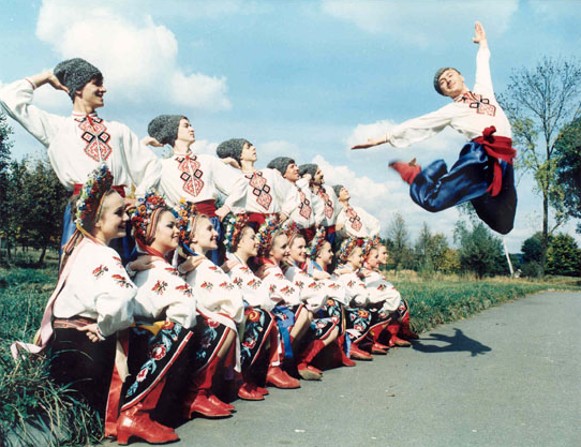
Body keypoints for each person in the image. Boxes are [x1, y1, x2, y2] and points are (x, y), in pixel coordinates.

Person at [352, 22, 517, 235]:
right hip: (480, 155)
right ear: (444, 92)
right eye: (442, 83)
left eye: (449, 75)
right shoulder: (451, 109)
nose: (447, 80)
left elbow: (483, 64)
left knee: (504, 225)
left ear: (461, 76)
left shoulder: (484, 90)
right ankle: (416, 174)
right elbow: (419, 124)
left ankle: (471, 189)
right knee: (433, 202)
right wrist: (381, 138)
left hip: (504, 159)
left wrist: (483, 43)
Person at [11, 165, 136, 438]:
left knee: (71, 410)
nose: (127, 217)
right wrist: (105, 328)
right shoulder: (106, 256)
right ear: (98, 221)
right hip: (87, 348)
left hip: (63, 344)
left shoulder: (80, 250)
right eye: (119, 213)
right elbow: (121, 297)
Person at [0, 58, 160, 258]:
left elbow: (151, 164)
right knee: (82, 273)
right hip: (83, 212)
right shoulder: (58, 128)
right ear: (77, 89)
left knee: (123, 274)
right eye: (97, 83)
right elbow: (8, 98)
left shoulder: (118, 130)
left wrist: (138, 197)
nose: (104, 89)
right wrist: (47, 77)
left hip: (119, 214)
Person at [175, 200, 245, 413]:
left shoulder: (204, 263)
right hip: (201, 318)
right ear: (193, 237)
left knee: (226, 322)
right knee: (223, 324)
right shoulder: (193, 263)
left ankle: (207, 390)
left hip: (215, 314)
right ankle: (197, 392)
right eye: (209, 229)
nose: (215, 233)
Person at [222, 214, 299, 398]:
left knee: (264, 315)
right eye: (252, 238)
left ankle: (252, 374)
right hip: (234, 316)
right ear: (239, 242)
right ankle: (239, 378)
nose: (257, 242)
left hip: (240, 314)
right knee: (261, 316)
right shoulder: (233, 265)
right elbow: (262, 297)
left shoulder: (244, 265)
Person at [145, 115, 238, 264]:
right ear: (173, 131)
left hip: (211, 224)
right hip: (183, 226)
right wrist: (146, 142)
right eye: (186, 126)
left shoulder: (208, 161)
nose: (192, 129)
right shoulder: (162, 165)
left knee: (213, 270)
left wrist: (226, 207)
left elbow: (239, 183)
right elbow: (139, 178)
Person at [283, 229, 345, 380]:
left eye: (305, 247)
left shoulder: (298, 269)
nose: (304, 251)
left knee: (332, 327)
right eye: (299, 247)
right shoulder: (289, 270)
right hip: (291, 315)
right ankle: (287, 362)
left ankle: (302, 362)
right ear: (288, 249)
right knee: (309, 314)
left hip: (305, 311)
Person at [215, 138, 297, 227]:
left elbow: (292, 192)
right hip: (250, 227)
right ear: (240, 155)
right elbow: (211, 172)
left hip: (273, 225)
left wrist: (286, 211)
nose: (254, 148)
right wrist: (227, 161)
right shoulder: (237, 179)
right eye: (248, 147)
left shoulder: (270, 173)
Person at [267, 157, 319, 242]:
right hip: (292, 233)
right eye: (292, 167)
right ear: (283, 173)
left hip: (309, 231)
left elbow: (305, 181)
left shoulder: (300, 187)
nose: (297, 169)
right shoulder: (280, 189)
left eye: (296, 166)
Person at [298, 164, 341, 244]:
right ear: (310, 178)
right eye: (318, 173)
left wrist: (338, 224)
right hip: (312, 232)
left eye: (320, 171)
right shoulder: (306, 193)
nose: (322, 174)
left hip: (330, 232)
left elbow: (339, 209)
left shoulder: (329, 190)